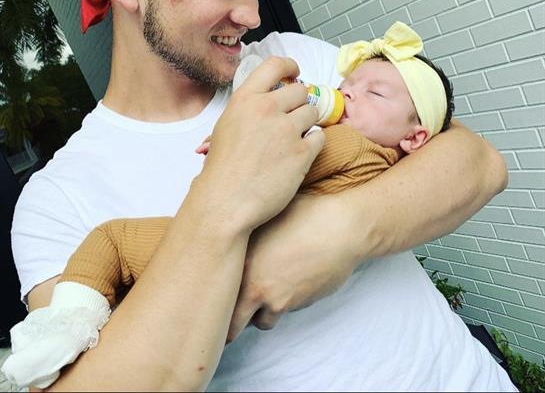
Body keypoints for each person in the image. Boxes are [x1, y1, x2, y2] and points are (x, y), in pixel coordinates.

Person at [9, 0, 513, 392]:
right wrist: (224, 204)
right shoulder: (58, 200)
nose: (251, 13)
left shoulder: (296, 60)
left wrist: (337, 233)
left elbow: (477, 164)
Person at [2, 20, 457, 389]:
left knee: (114, 240)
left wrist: (234, 143)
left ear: (415, 138)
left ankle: (68, 323)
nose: (348, 91)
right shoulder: (51, 198)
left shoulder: (353, 141)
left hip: (452, 372)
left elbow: (482, 164)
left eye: (373, 93)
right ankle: (70, 325)